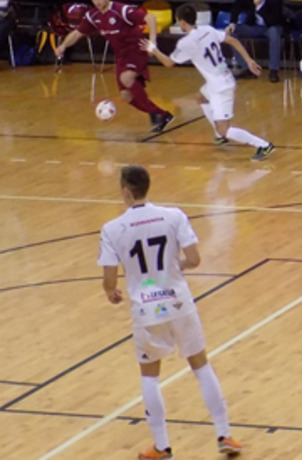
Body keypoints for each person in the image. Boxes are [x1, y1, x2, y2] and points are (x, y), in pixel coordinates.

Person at [98, 165, 242, 459]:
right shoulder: (174, 216)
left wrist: (111, 292)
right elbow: (194, 259)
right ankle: (224, 434)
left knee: (150, 377)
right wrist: (176, 266)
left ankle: (162, 447)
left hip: (146, 311)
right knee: (201, 366)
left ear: (125, 191)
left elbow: (110, 280)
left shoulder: (112, 229)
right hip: (179, 303)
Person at [143, 4, 275, 161]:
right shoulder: (208, 30)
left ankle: (263, 145)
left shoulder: (186, 43)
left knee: (226, 130)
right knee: (201, 97)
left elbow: (168, 63)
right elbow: (232, 40)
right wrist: (249, 60)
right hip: (219, 80)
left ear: (182, 22)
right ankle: (219, 134)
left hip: (221, 88)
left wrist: (153, 48)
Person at [53, 0, 174, 133]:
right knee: (126, 96)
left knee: (126, 78)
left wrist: (153, 41)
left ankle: (158, 114)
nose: (97, 2)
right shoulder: (93, 16)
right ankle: (161, 114)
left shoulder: (121, 10)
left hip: (136, 50)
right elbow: (78, 33)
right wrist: (63, 46)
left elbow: (151, 18)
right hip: (121, 55)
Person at [228, 0, 287, 83]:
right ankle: (248, 68)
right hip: (255, 26)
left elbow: (274, 20)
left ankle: (273, 70)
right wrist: (232, 23)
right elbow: (237, 5)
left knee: (274, 33)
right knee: (232, 33)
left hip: (272, 26)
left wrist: (259, 7)